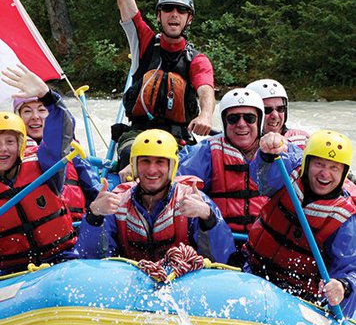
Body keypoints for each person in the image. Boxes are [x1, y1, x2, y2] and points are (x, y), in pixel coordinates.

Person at [89, 0, 215, 167]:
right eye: (168, 9)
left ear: (188, 19)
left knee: (187, 164)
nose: (174, 15)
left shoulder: (197, 60)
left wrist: (206, 115)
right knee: (131, 156)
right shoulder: (144, 42)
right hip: (138, 134)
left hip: (177, 140)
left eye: (181, 11)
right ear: (159, 15)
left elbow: (205, 90)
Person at [178, 88, 301, 266]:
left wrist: (276, 156)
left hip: (266, 243)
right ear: (225, 123)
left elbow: (311, 175)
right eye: (233, 119)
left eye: (249, 118)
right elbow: (176, 178)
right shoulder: (207, 150)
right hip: (219, 240)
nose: (241, 124)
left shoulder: (282, 148)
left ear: (259, 122)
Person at [77, 129, 235, 264]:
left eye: (160, 162)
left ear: (171, 167)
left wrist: (208, 219)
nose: (152, 170)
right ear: (135, 166)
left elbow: (222, 260)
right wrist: (94, 217)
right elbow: (90, 260)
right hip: (131, 282)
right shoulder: (117, 201)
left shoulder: (194, 199)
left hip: (180, 281)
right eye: (145, 161)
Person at [245, 129, 356, 318]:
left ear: (344, 173)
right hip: (252, 271)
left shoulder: (346, 218)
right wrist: (266, 153)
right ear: (307, 163)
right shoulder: (287, 171)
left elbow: (350, 267)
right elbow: (261, 176)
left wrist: (344, 285)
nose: (325, 173)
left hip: (299, 297)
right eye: (319, 164)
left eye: (334, 167)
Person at [0, 65, 80, 273]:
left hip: (61, 259)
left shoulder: (44, 164)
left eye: (10, 142)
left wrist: (48, 97)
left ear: (21, 145)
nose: (3, 150)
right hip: (11, 272)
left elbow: (62, 131)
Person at [13, 95, 100, 223]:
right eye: (27, 111)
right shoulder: (9, 153)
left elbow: (92, 185)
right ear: (18, 118)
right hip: (37, 227)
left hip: (75, 222)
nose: (35, 116)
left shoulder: (70, 148)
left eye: (41, 110)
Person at [246, 78, 310, 148]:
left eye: (280, 108)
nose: (275, 115)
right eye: (266, 110)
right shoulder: (242, 146)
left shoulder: (300, 140)